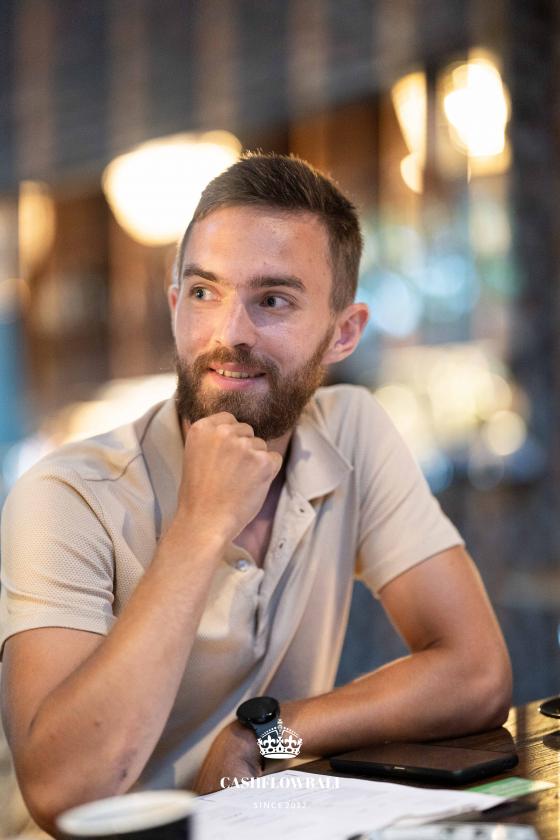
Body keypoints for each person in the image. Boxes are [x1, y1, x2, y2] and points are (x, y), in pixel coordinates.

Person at [0, 153, 512, 836]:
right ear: (174, 305)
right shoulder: (65, 495)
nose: (229, 333)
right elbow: (63, 793)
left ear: (343, 333)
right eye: (204, 292)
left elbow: (477, 673)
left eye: (272, 300)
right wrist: (201, 525)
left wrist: (268, 735)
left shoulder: (352, 432)